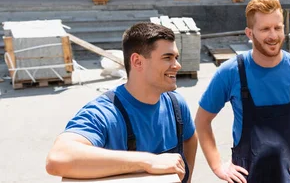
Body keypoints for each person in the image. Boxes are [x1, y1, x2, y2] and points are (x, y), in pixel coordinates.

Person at [194, 0, 290, 182]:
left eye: (277, 27)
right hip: (245, 176)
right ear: (249, 33)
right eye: (264, 29)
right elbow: (202, 120)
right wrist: (217, 166)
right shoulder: (230, 72)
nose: (273, 35)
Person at [45, 22, 198, 183]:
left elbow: (190, 138)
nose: (177, 65)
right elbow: (58, 158)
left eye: (176, 58)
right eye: (167, 57)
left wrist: (186, 179)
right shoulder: (104, 113)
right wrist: (148, 162)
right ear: (137, 62)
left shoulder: (176, 105)